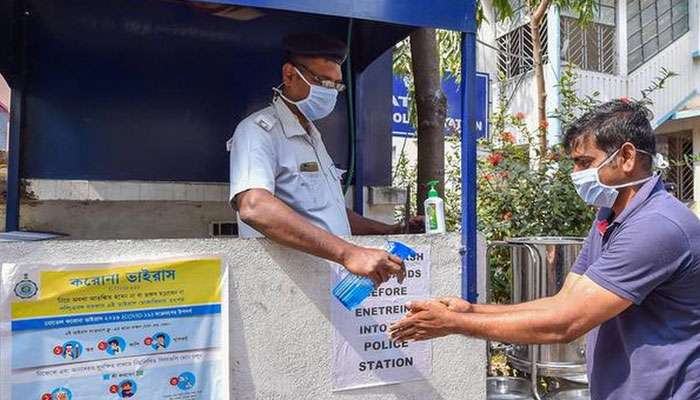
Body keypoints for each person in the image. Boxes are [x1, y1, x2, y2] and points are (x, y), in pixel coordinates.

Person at [390, 100, 700, 399]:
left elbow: (566, 323)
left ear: (627, 158)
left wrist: (454, 324)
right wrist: (472, 310)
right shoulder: (610, 216)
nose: (576, 173)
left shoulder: (657, 226)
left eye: (585, 162)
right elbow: (564, 302)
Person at [228, 33, 422, 286]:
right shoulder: (258, 131)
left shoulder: (313, 136)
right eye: (323, 82)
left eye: (336, 85)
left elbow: (329, 212)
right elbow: (255, 207)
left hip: (323, 282)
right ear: (289, 75)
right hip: (282, 287)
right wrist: (348, 253)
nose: (330, 92)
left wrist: (392, 230)